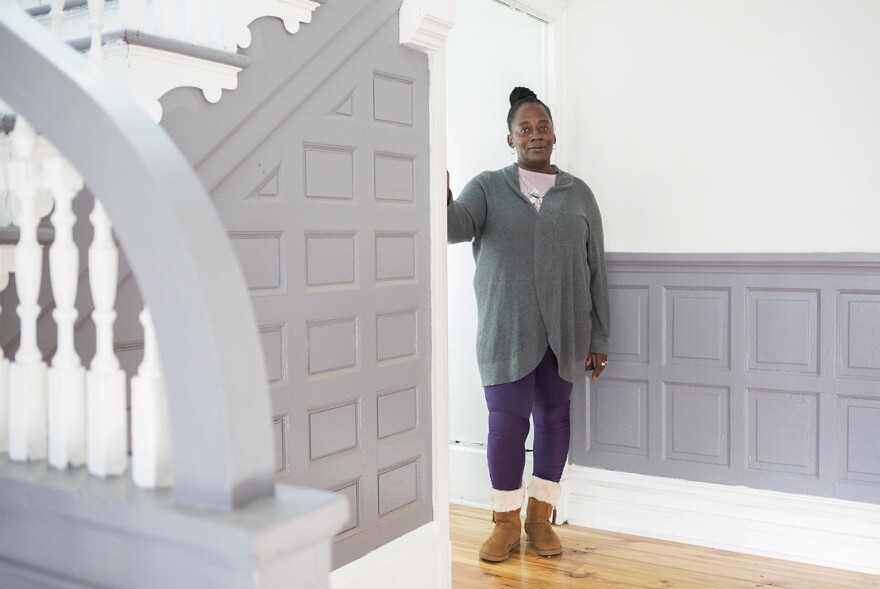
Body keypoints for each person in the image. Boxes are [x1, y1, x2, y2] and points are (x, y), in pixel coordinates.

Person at [447, 86, 610, 562]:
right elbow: (456, 227)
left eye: (542, 127)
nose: (535, 135)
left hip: (567, 333)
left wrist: (599, 336)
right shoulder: (487, 187)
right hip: (507, 330)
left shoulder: (579, 194)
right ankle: (504, 523)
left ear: (554, 134)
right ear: (510, 138)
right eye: (525, 129)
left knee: (554, 421)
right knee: (506, 425)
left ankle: (540, 521)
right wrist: (440, 196)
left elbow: (596, 267)